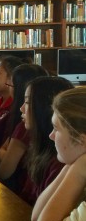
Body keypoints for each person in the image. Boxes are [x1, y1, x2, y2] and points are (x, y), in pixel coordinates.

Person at [30, 86, 86, 221]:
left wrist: (79, 170)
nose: (51, 135)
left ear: (82, 140)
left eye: (56, 128)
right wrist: (74, 165)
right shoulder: (77, 164)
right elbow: (36, 217)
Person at [17, 76, 73, 205]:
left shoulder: (59, 161)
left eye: (27, 103)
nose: (21, 108)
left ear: (44, 108)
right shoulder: (39, 147)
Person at [0, 64, 48, 187]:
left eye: (11, 85)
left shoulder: (26, 126)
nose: (22, 107)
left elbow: (3, 171)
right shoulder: (28, 121)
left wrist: (3, 154)